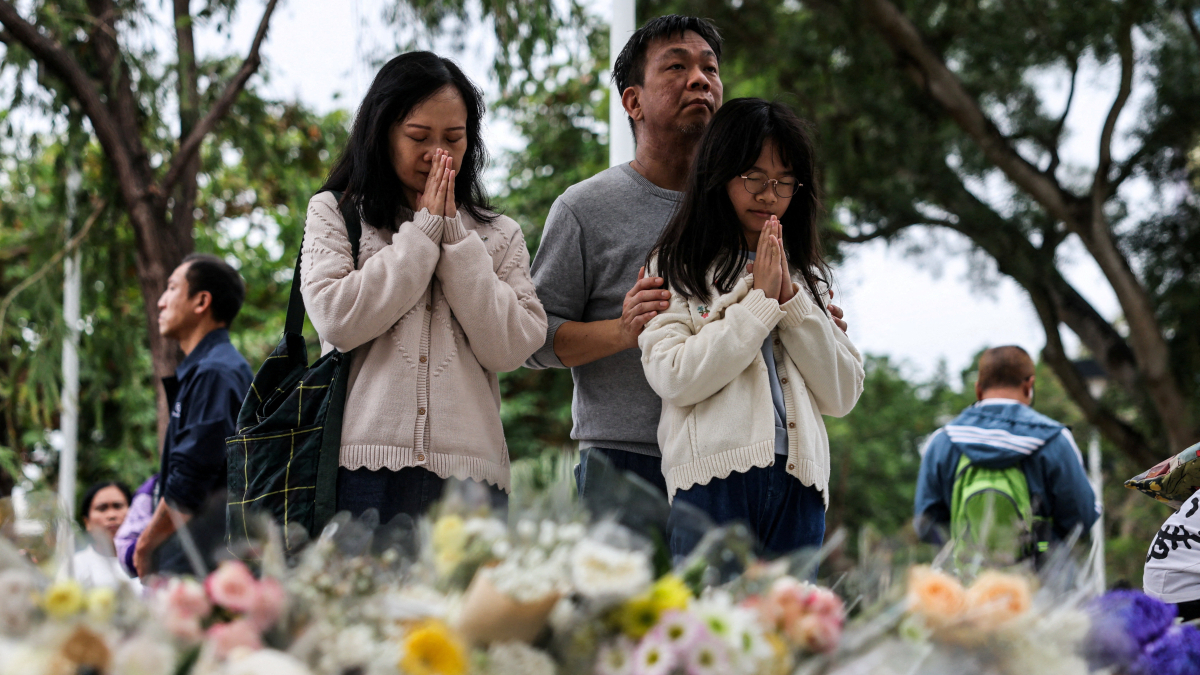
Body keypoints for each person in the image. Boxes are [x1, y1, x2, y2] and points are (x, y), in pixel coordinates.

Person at [300, 52, 546, 523]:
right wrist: (424, 232)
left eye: (454, 138)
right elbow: (337, 319)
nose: (439, 154)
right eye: (419, 137)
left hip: (472, 481)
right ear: (382, 133)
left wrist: (453, 235)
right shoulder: (336, 212)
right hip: (359, 473)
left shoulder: (500, 234)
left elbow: (511, 346)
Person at [639, 99, 865, 559]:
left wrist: (789, 300)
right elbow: (673, 377)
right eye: (754, 178)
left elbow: (844, 393)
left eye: (784, 182)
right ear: (718, 174)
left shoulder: (807, 277)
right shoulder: (676, 264)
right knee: (712, 627)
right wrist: (759, 304)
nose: (769, 194)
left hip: (801, 484)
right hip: (711, 483)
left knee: (793, 628)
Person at [524, 15, 725, 498]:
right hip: (624, 463)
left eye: (710, 68)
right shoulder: (584, 207)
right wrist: (622, 330)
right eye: (676, 67)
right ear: (632, 101)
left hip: (731, 460)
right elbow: (532, 339)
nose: (700, 79)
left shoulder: (744, 203)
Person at [913, 346, 1099, 556]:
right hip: (1042, 582)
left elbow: (925, 525)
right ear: (1029, 385)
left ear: (978, 389)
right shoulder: (1055, 439)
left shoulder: (943, 441)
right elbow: (1081, 519)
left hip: (969, 582)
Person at [133, 254, 253, 576]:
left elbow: (190, 481)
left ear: (201, 301)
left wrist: (146, 544)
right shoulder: (209, 369)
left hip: (201, 561)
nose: (160, 302)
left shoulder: (216, 372)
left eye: (171, 288)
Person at [72, 481, 139, 590]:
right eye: (102, 508)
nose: (111, 515)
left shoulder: (150, 563)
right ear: (87, 522)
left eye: (118, 506)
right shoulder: (74, 567)